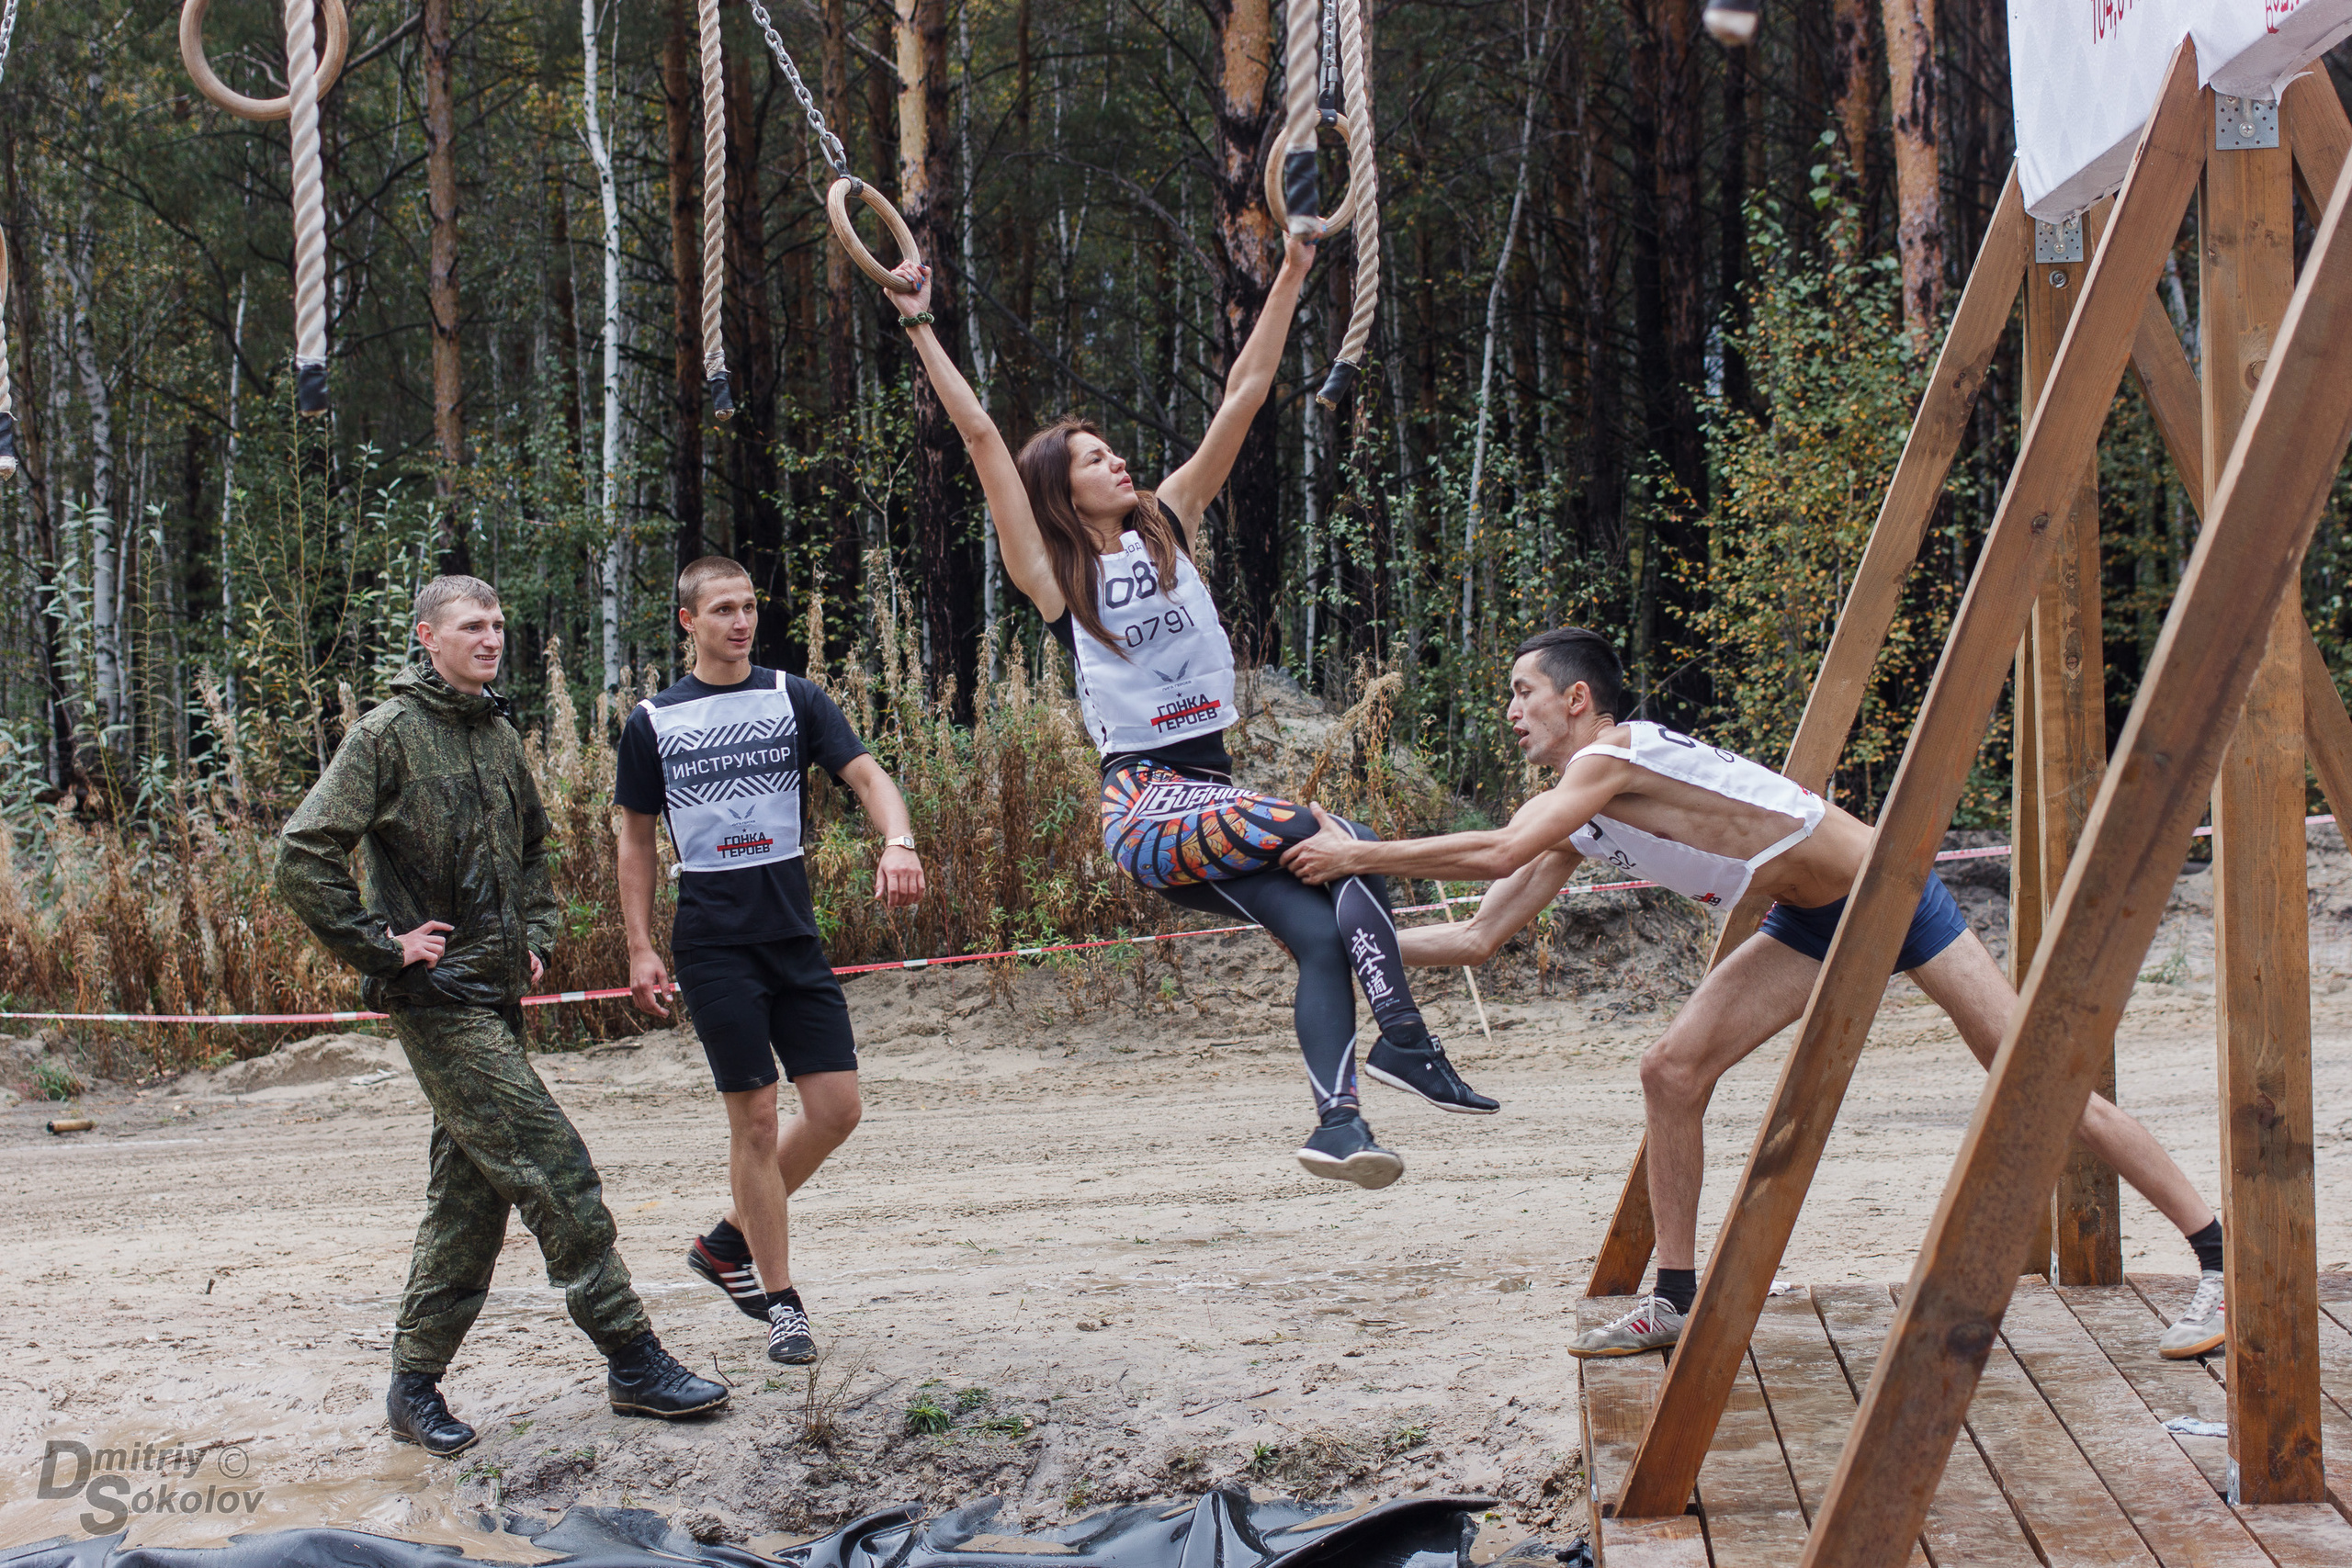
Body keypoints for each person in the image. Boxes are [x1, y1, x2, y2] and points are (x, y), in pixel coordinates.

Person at [1281, 626, 2231, 1360]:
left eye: (1522, 693)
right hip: (1808, 922)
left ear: (1577, 699)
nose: (1510, 712)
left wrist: (1358, 856)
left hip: (1887, 893)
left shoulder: (1612, 757)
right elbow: (1478, 936)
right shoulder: (1581, 810)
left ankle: (2220, 1261)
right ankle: (1674, 1301)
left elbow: (1498, 850)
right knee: (1671, 1070)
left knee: (2041, 1084)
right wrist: (1340, 947)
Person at [889, 235, 1493, 1190]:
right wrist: (919, 320)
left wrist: (1291, 272)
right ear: (1060, 488)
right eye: (1094, 458)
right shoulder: (1051, 572)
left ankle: (1340, 1126)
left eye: (1112, 450)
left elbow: (1244, 395)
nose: (1116, 461)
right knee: (1344, 836)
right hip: (1143, 807)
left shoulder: (1169, 522)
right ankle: (1408, 1041)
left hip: (1210, 799)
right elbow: (981, 440)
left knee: (1320, 933)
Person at [277, 575, 729, 1460]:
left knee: (469, 1201)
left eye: (497, 625)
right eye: (471, 626)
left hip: (497, 994)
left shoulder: (495, 732)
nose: (490, 639)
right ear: (428, 637)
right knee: (555, 1165)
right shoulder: (385, 736)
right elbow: (302, 853)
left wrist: (537, 934)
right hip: (437, 1002)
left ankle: (412, 1387)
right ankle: (631, 1356)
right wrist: (383, 946)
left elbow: (531, 848)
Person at [616, 556, 924, 1366]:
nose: (741, 621)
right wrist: (640, 945)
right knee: (754, 1120)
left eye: (749, 606)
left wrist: (898, 841)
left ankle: (726, 1241)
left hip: (792, 935)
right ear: (688, 621)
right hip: (713, 944)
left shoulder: (794, 697)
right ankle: (782, 1301)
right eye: (723, 609)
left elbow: (868, 775)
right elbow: (635, 839)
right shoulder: (653, 720)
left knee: (837, 1109)